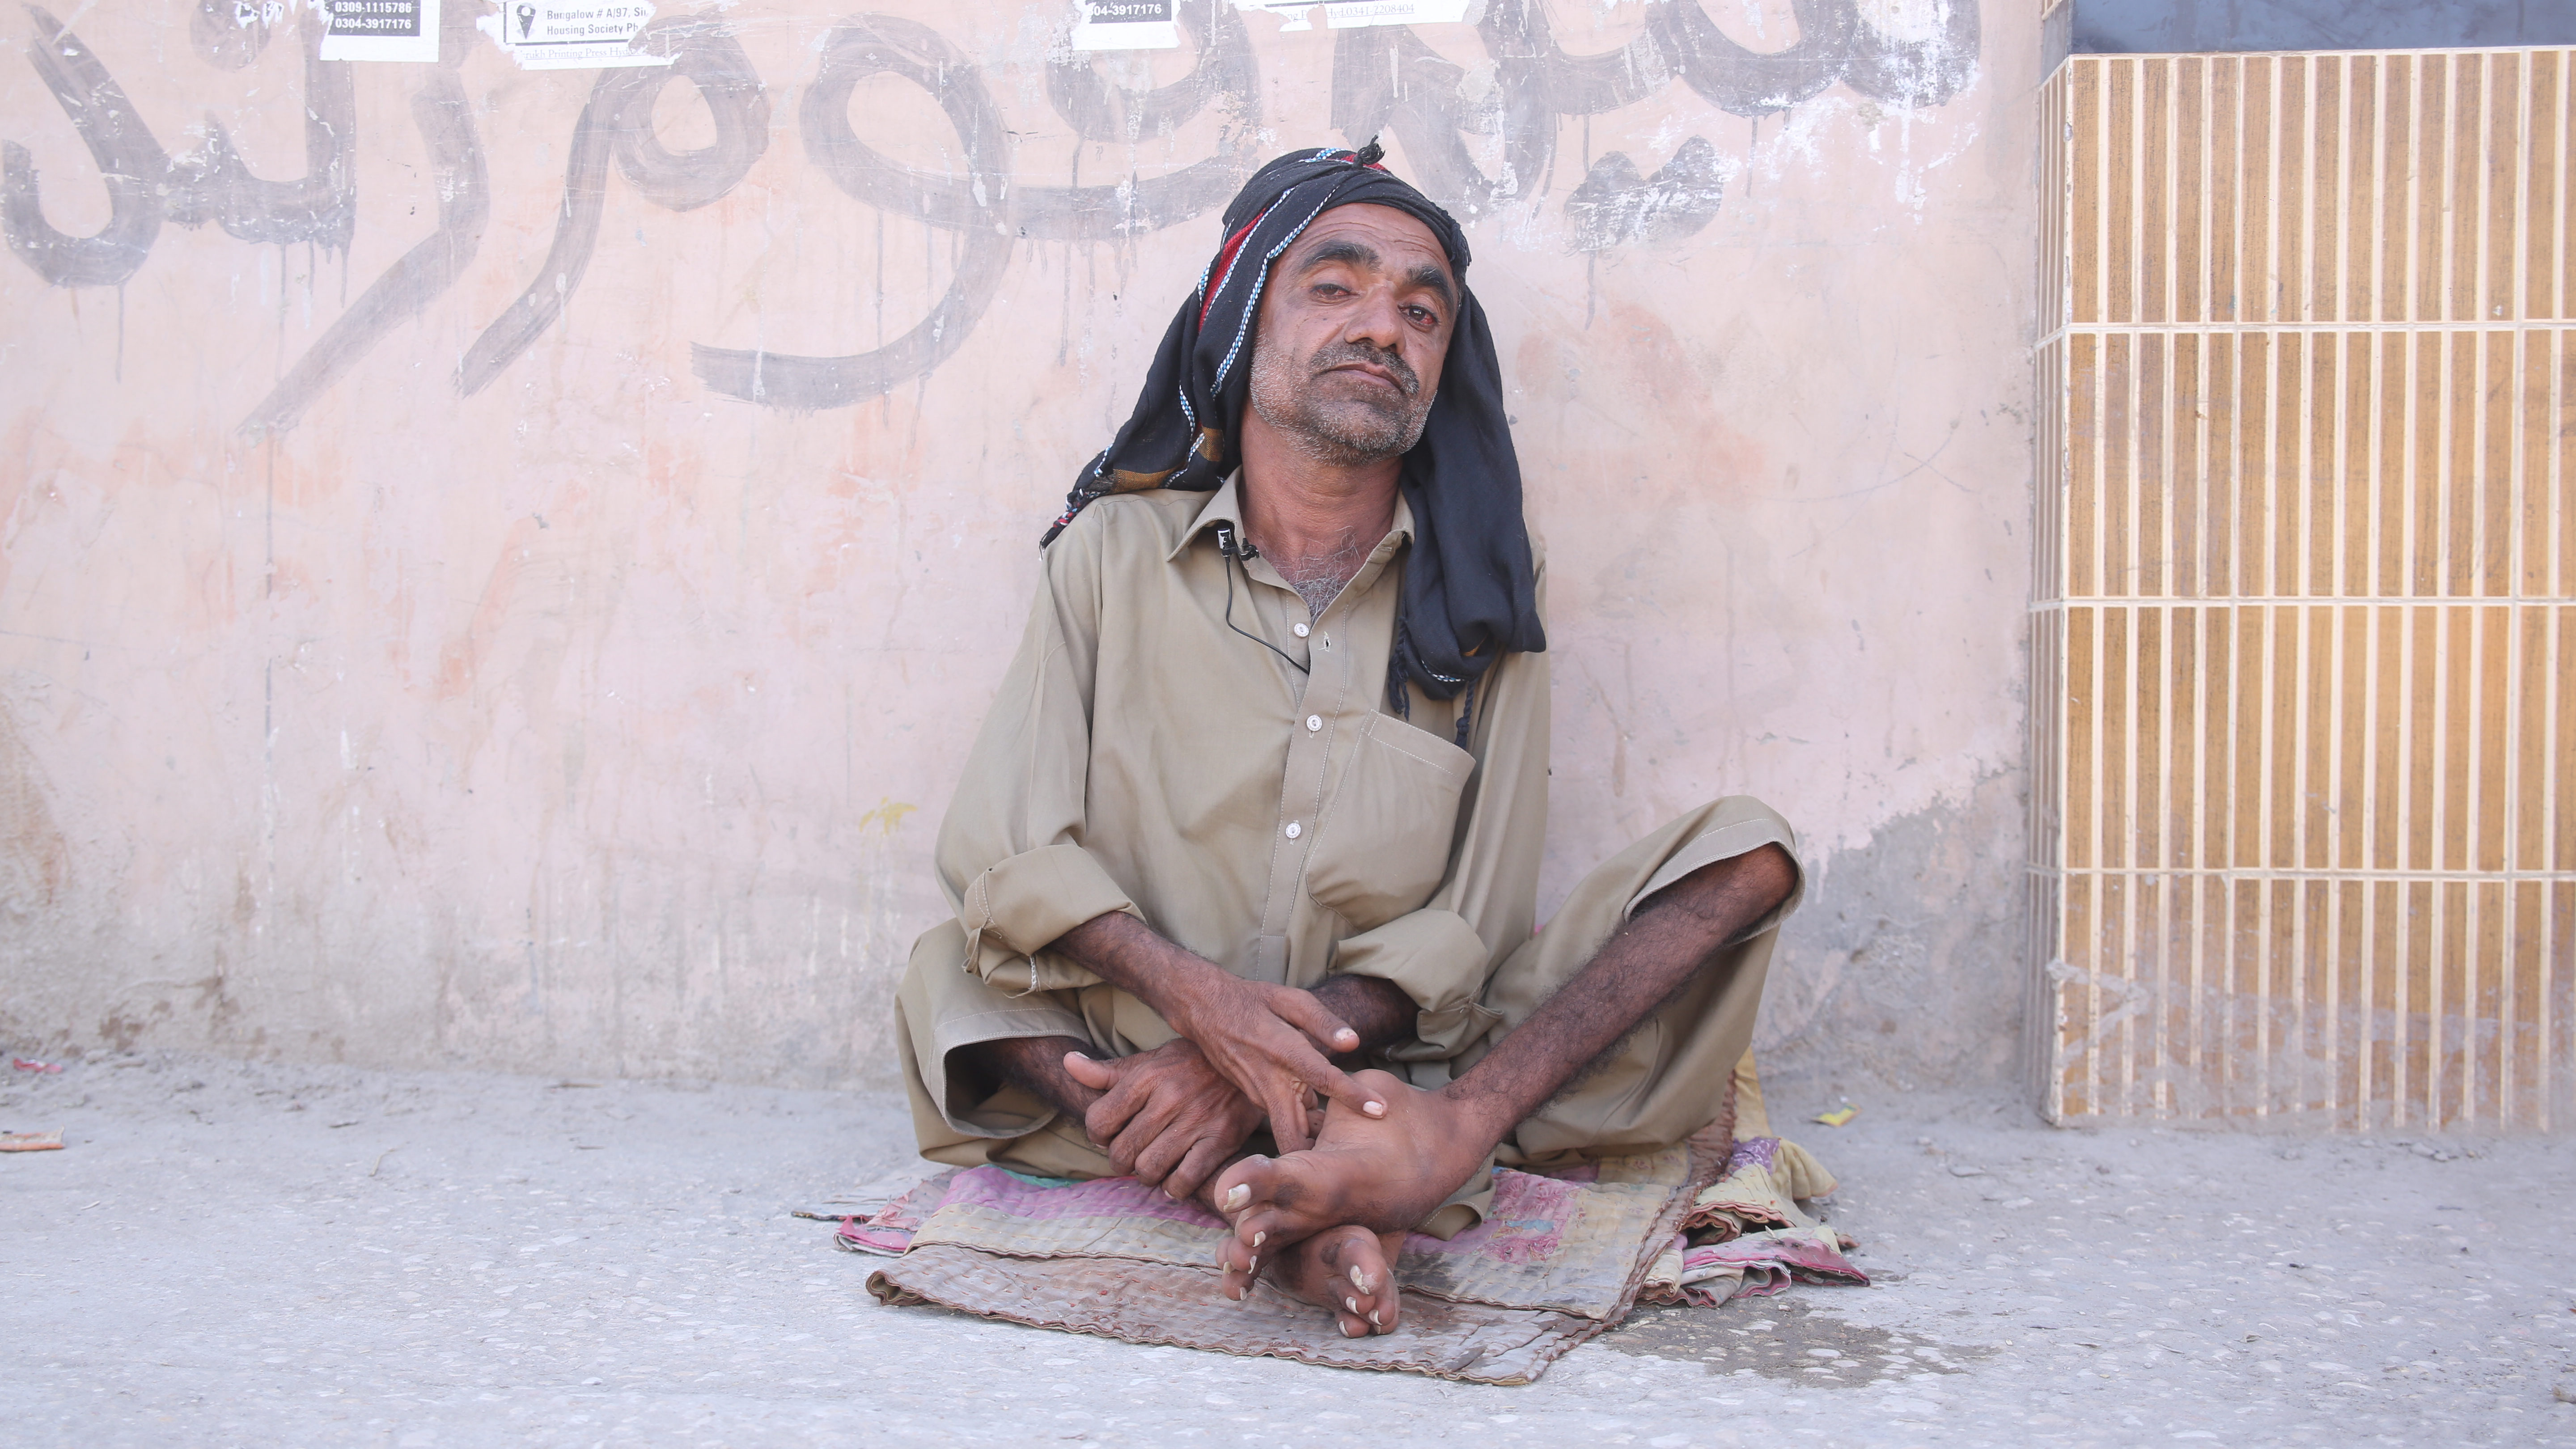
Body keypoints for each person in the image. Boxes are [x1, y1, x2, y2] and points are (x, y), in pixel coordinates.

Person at [894, 144, 1801, 1340]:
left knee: (1749, 851)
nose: (1385, 328)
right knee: (948, 973)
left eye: (1422, 312)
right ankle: (1317, 1187)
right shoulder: (1111, 558)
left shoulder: (1481, 593)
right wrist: (1202, 1013)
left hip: (1395, 1056)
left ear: (1441, 363)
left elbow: (1474, 914)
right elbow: (1005, 846)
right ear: (1242, 325)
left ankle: (1415, 1143)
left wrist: (1263, 1055)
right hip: (1136, 1040)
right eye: (1337, 287)